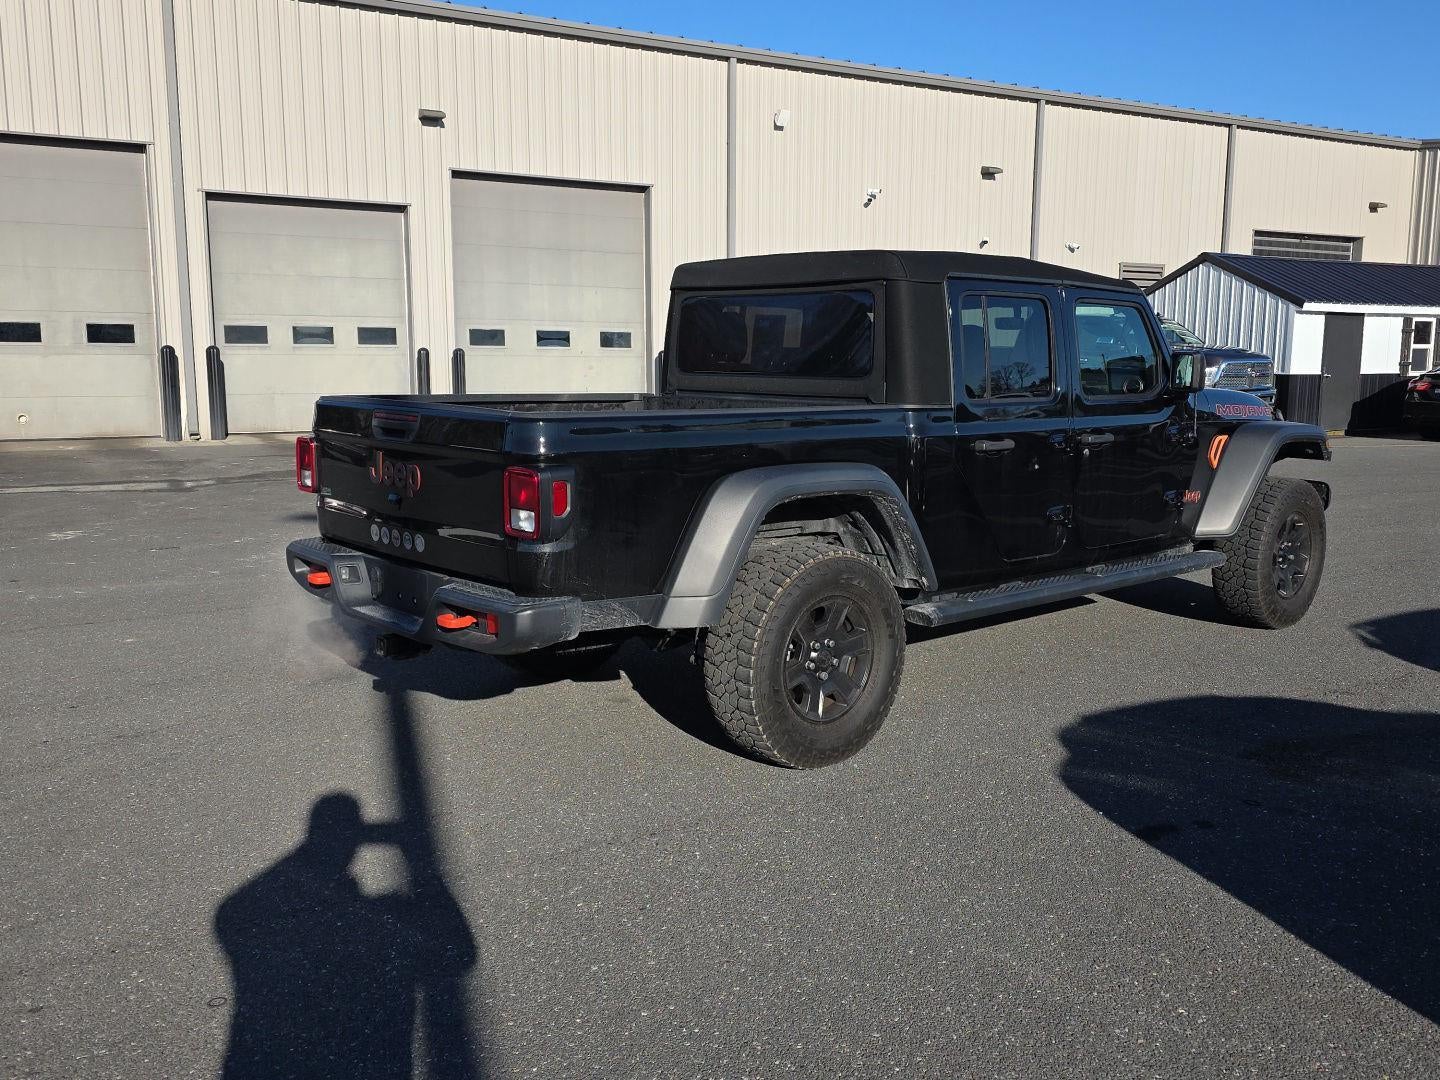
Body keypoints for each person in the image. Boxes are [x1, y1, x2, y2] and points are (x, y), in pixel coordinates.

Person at [215, 792, 476, 1080]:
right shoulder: (388, 926)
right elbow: (459, 952)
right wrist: (421, 864)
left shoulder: (262, 924)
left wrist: (315, 854)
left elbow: (235, 911)